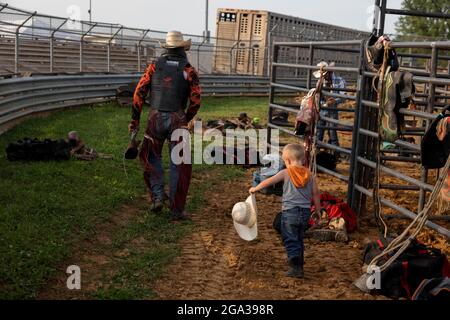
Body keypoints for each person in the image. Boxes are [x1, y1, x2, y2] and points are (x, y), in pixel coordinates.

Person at [128, 31, 201, 221]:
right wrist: (185, 117)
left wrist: (135, 121)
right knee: (180, 165)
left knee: (150, 156)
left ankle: (158, 196)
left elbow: (138, 94)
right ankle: (176, 211)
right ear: (182, 48)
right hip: (178, 118)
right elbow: (196, 100)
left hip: (155, 117)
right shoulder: (188, 70)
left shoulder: (154, 66)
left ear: (166, 48)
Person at [249, 144, 321, 278]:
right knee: (298, 238)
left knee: (290, 238)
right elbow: (316, 194)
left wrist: (255, 188)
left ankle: (296, 266)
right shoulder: (310, 175)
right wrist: (318, 210)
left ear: (287, 161)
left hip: (290, 212)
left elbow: (269, 181)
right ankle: (299, 262)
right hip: (305, 212)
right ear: (304, 160)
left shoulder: (286, 172)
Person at [314, 61, 346, 147]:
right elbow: (316, 94)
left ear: (330, 72)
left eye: (325, 74)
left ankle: (335, 151)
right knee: (319, 131)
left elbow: (343, 97)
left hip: (332, 110)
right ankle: (316, 151)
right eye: (322, 75)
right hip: (322, 109)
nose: (323, 76)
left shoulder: (340, 81)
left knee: (332, 131)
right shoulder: (321, 80)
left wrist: (335, 101)